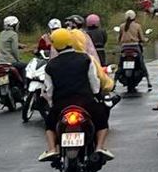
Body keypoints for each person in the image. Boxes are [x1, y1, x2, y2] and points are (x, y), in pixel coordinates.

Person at [38, 29, 113, 162]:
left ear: (55, 45)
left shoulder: (50, 65)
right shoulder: (85, 58)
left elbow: (48, 90)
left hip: (61, 105)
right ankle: (100, 147)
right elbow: (94, 82)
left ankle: (51, 149)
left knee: (49, 125)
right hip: (85, 102)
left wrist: (51, 105)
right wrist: (96, 96)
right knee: (102, 120)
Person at [118, 10, 151, 89]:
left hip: (124, 48)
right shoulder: (137, 26)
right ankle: (148, 81)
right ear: (134, 17)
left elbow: (119, 38)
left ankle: (115, 81)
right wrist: (145, 40)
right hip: (135, 47)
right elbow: (141, 38)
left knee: (120, 65)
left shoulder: (122, 26)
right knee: (141, 64)